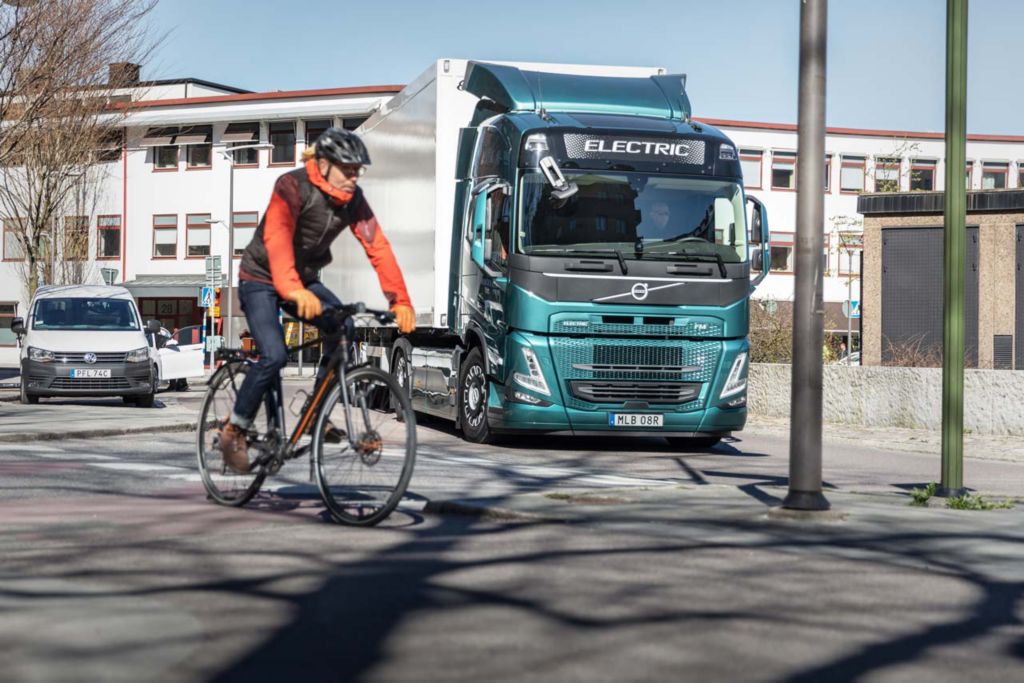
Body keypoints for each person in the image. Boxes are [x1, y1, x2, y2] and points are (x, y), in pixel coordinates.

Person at [218, 128, 416, 473]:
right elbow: (277, 238)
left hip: (304, 280)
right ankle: (235, 428)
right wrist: (293, 289)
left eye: (358, 170)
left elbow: (378, 248)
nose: (354, 177)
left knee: (344, 325)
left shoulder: (353, 200)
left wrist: (400, 300)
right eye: (348, 169)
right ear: (323, 165)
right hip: (261, 277)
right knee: (274, 355)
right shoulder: (291, 186)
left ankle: (315, 413)